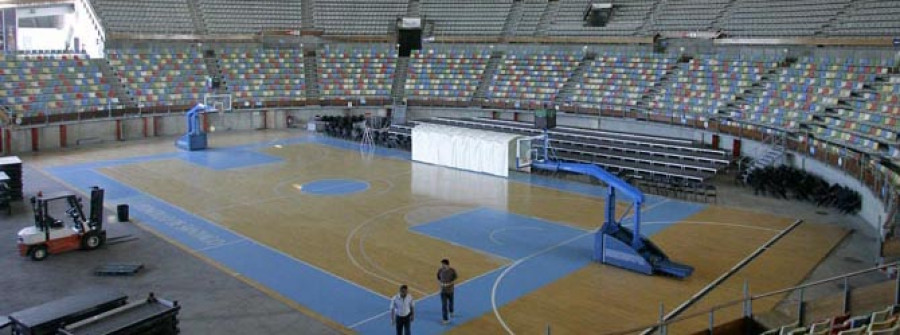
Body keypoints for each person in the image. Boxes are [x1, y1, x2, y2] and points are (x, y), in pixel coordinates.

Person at [436, 259, 458, 325]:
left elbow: (455, 278)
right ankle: (445, 319)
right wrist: (442, 283)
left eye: (443, 264)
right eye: (442, 264)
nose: (442, 266)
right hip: (443, 291)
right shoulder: (440, 271)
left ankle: (451, 312)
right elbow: (438, 277)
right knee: (444, 305)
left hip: (450, 290)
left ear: (447, 265)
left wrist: (449, 283)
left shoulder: (452, 271)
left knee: (451, 303)